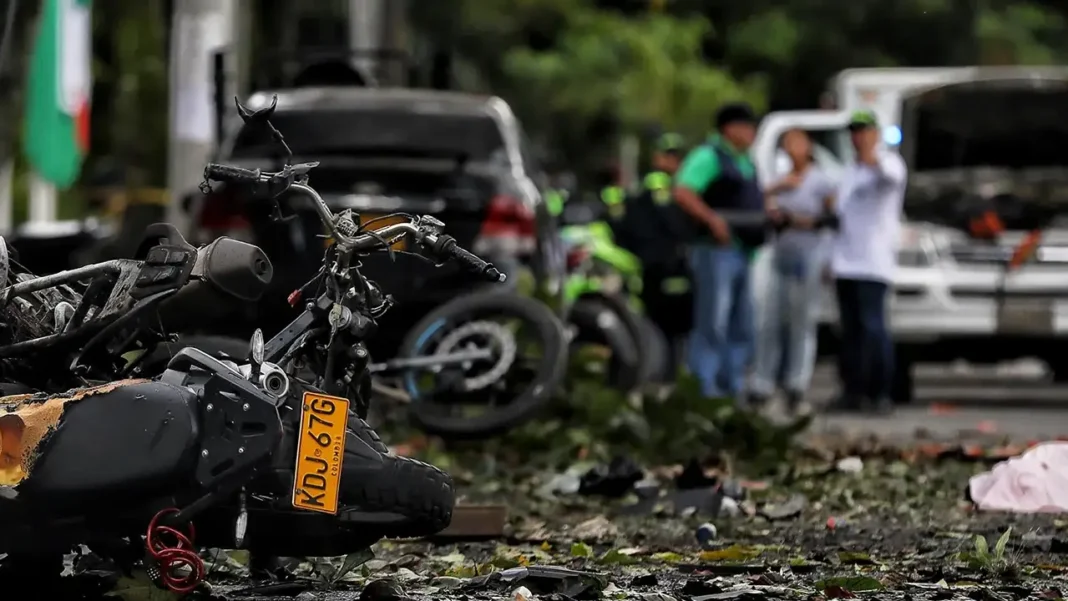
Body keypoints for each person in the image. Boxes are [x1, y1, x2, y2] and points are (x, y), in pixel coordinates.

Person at [673, 103, 764, 402]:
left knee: (741, 324)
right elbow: (684, 191)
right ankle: (703, 387)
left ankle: (730, 386)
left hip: (742, 251)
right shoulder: (709, 156)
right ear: (730, 128)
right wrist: (712, 220)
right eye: (747, 127)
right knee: (713, 321)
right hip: (715, 251)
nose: (751, 134)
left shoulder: (744, 160)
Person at [748, 129, 836, 414]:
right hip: (779, 254)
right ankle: (762, 384)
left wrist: (796, 221)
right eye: (787, 144)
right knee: (770, 321)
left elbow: (831, 219)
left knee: (802, 323)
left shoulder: (821, 181)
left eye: (797, 143)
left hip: (808, 255)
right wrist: (776, 191)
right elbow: (760, 205)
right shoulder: (782, 179)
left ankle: (796, 385)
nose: (792, 149)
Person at [829, 110, 907, 414]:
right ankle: (853, 391)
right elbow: (841, 215)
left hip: (873, 263)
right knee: (850, 333)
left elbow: (890, 177)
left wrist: (872, 155)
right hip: (845, 261)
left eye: (864, 131)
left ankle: (881, 392)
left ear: (875, 134)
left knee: (874, 328)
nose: (858, 137)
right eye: (854, 132)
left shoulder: (888, 163)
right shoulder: (850, 171)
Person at [615, 132, 693, 378]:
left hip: (651, 263)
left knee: (661, 322)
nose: (672, 162)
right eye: (668, 156)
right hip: (663, 263)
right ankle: (667, 375)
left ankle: (665, 374)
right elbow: (672, 223)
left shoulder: (646, 187)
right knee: (669, 323)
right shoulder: (661, 186)